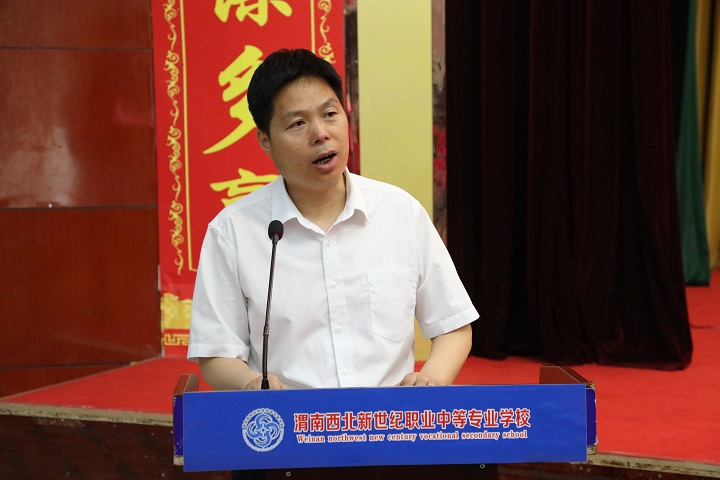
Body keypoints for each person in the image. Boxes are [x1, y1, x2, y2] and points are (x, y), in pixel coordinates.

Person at [188, 48, 478, 391]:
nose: (321, 133)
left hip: (386, 417)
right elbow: (217, 353)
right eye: (298, 123)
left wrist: (432, 379)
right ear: (265, 140)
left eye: (329, 114)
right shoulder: (232, 232)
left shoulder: (400, 213)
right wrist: (252, 384)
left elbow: (453, 325)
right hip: (291, 419)